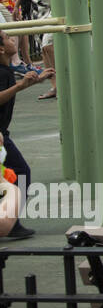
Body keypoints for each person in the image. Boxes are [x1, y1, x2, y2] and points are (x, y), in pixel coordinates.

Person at [0, 29, 54, 240]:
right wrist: (22, 86)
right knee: (21, 172)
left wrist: (36, 80)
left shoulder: (7, 68)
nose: (13, 40)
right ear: (2, 49)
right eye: (6, 38)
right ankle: (10, 222)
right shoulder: (2, 73)